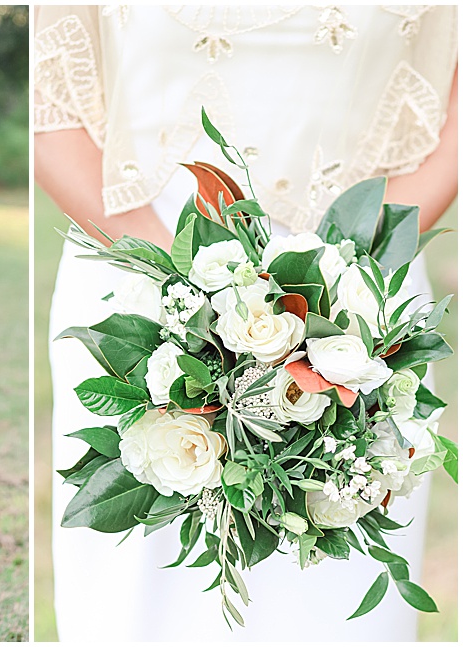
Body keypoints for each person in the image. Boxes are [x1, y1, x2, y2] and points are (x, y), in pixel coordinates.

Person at [35, 5, 457, 642]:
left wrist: (341, 281)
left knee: (331, 587)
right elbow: (52, 108)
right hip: (138, 274)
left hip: (361, 283)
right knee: (140, 605)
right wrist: (190, 293)